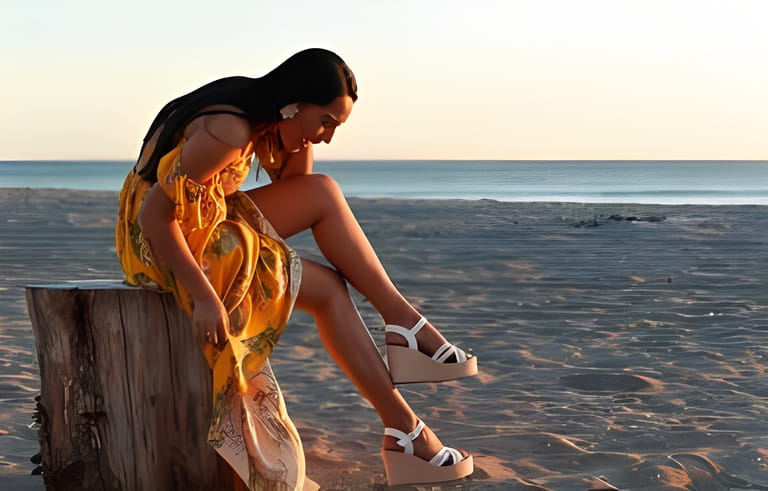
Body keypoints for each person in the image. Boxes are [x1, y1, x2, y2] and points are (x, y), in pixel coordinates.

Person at [115, 48, 477, 489]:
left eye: (334, 128)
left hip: (207, 223)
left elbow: (293, 192)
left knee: (328, 288)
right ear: (294, 103)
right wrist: (206, 297)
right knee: (324, 193)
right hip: (159, 242)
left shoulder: (266, 118)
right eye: (325, 122)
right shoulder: (228, 128)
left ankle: (406, 431)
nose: (326, 136)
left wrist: (300, 139)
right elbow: (155, 215)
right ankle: (406, 326)